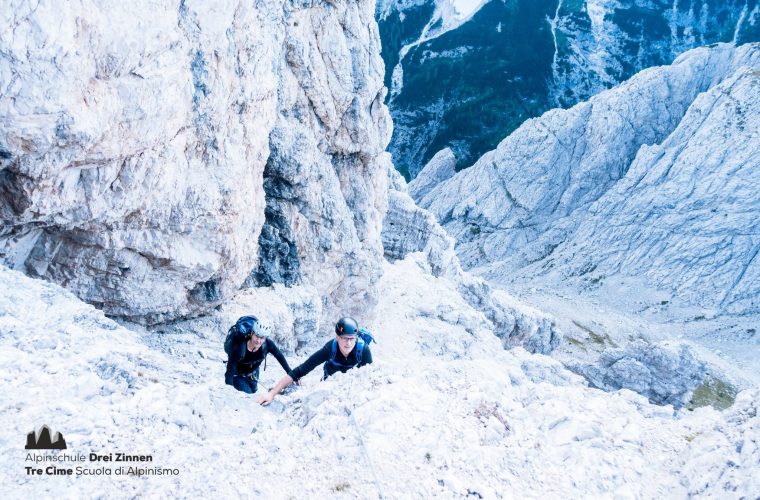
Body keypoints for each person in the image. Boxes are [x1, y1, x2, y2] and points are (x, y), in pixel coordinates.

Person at [257, 317, 373, 406]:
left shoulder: (363, 350)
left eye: (351, 338)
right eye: (344, 338)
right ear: (337, 337)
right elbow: (301, 370)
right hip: (330, 386)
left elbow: (370, 377)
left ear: (356, 338)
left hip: (354, 386)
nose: (348, 343)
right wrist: (271, 393)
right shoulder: (329, 349)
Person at [225, 315, 293, 394]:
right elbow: (229, 371)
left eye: (262, 338)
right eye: (256, 336)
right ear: (251, 333)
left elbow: (279, 356)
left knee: (254, 390)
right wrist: (228, 389)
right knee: (249, 393)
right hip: (237, 374)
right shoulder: (239, 348)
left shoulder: (267, 344)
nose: (258, 341)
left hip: (253, 372)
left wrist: (292, 375)